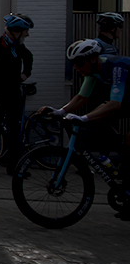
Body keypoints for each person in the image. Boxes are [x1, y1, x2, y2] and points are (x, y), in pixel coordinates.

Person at [39, 39, 130, 168]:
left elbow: (115, 103)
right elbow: (82, 97)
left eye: (79, 63)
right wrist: (60, 111)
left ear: (92, 59)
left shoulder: (117, 67)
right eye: (73, 64)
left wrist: (83, 118)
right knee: (99, 114)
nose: (76, 68)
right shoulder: (92, 70)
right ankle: (117, 151)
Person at [0, 14, 34, 177]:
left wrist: (25, 74)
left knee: (15, 132)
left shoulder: (18, 47)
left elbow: (29, 57)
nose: (27, 35)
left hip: (14, 95)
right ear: (15, 31)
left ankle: (13, 167)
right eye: (25, 32)